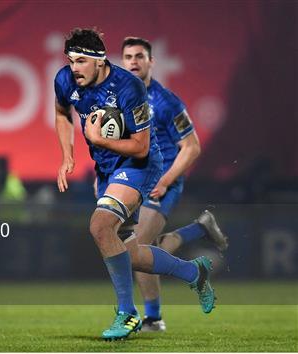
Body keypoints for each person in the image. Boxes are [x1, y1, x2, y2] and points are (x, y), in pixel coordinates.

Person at [54, 28, 215, 340]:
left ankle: (128, 313)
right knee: (131, 253)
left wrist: (98, 139)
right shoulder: (65, 80)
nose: (74, 68)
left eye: (81, 61)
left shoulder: (129, 88)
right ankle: (194, 272)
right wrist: (67, 155)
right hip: (106, 169)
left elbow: (141, 146)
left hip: (140, 165)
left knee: (100, 226)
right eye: (71, 60)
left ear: (100, 62)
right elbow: (62, 113)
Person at [121, 37, 229, 332]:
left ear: (151, 62)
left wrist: (166, 181)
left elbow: (192, 147)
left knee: (137, 248)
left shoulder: (166, 102)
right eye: (128, 56)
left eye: (139, 56)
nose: (133, 62)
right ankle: (199, 228)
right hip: (135, 182)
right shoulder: (119, 99)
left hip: (162, 184)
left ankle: (154, 318)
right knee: (147, 250)